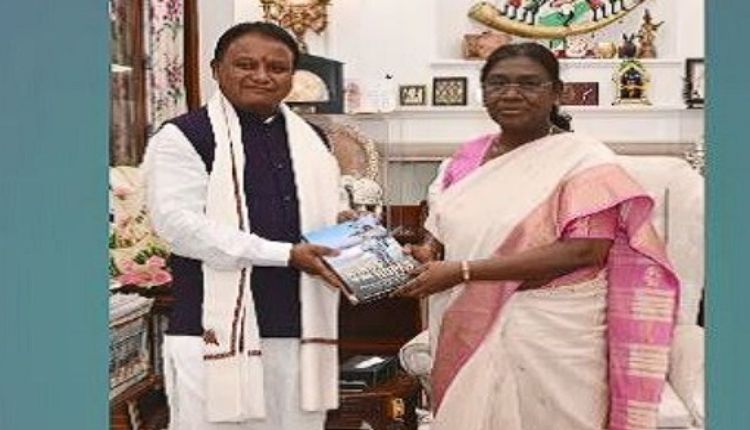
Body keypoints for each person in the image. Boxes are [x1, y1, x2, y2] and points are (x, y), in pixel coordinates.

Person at [394, 42, 680, 430]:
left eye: (529, 83)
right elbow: (445, 231)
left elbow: (585, 252)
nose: (511, 93)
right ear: (484, 91)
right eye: (498, 83)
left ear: (557, 92)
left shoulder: (585, 161)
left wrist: (463, 271)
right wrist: (427, 255)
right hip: (468, 317)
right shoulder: (466, 159)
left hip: (553, 328)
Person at [143, 22, 349, 430]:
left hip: (300, 329)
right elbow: (179, 226)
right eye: (246, 64)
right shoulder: (184, 136)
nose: (262, 76)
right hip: (210, 332)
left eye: (277, 67)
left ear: (292, 76)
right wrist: (285, 254)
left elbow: (333, 210)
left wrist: (352, 231)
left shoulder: (313, 139)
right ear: (216, 69)